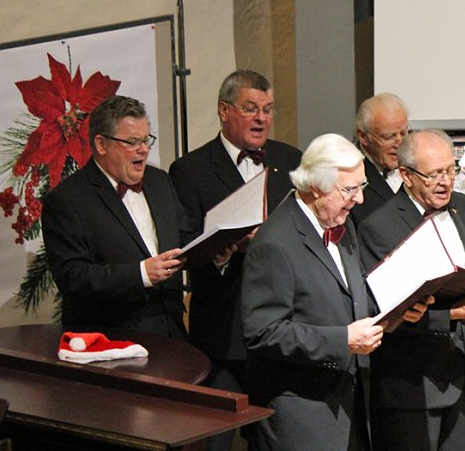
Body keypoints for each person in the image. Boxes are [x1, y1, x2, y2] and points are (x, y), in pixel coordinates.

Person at [242, 133, 427, 451]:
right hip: (302, 413)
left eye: (362, 187)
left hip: (350, 402)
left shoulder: (343, 225)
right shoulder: (274, 243)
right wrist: (342, 340)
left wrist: (398, 308)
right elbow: (262, 332)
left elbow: (350, 296)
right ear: (316, 186)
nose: (360, 200)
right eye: (350, 189)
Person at [358, 129, 465, 451]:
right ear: (407, 175)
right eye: (434, 174)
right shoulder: (377, 228)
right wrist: (451, 314)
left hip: (461, 369)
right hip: (411, 382)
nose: (446, 181)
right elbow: (381, 312)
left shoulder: (462, 207)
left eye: (451, 170)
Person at [169, 70, 301, 450]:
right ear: (224, 111)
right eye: (250, 108)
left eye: (268, 109)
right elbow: (184, 248)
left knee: (276, 440)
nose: (262, 118)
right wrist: (225, 250)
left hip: (283, 329)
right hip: (223, 332)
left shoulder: (290, 159)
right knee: (216, 440)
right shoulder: (190, 171)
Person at [43, 95, 192, 337]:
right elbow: (73, 277)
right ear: (101, 144)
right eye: (132, 142)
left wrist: (216, 250)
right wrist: (141, 273)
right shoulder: (68, 200)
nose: (143, 149)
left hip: (173, 337)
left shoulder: (160, 181)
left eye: (146, 140)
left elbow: (184, 235)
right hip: (112, 344)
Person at [350, 92, 410, 226]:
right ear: (363, 137)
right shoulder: (347, 174)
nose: (399, 142)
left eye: (404, 133)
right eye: (388, 136)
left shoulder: (418, 166)